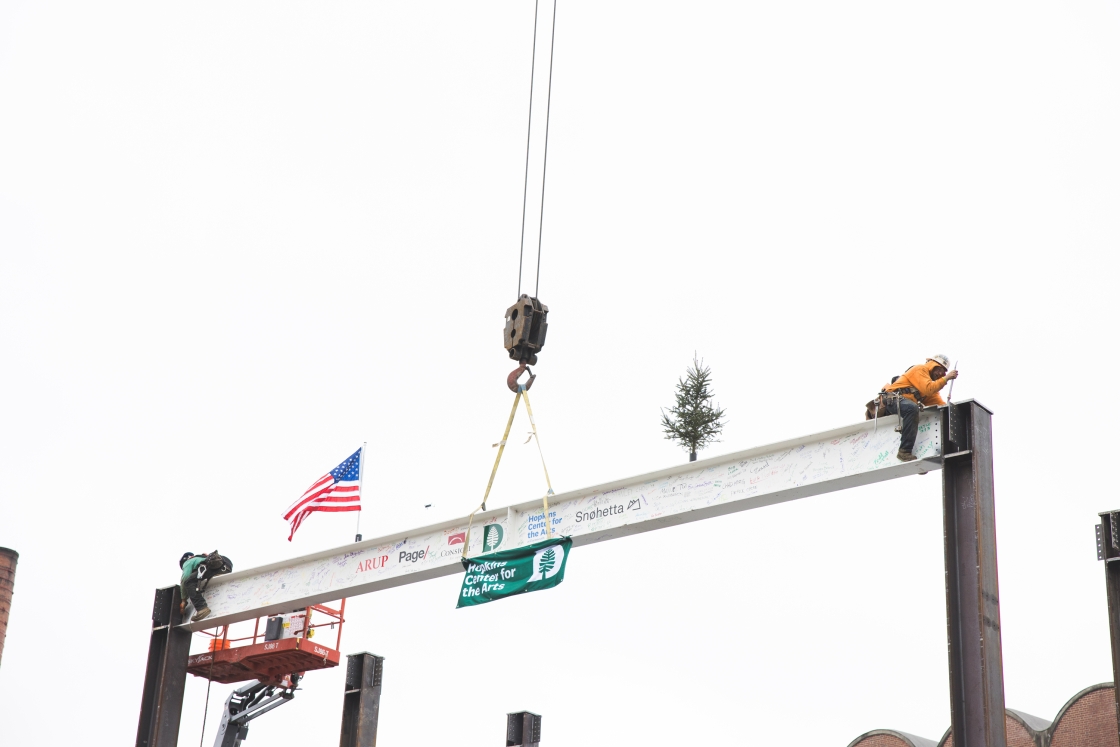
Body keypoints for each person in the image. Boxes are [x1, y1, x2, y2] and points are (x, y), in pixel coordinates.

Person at [881, 354, 958, 462]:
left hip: (904, 406)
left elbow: (940, 406)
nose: (940, 373)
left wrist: (952, 411)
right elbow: (928, 388)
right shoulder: (920, 369)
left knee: (921, 412)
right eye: (939, 369)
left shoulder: (932, 389)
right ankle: (904, 452)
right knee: (912, 409)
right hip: (892, 400)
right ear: (932, 365)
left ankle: (923, 455)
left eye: (943, 371)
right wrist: (947, 378)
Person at [180, 551, 212, 622]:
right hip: (225, 567)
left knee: (188, 582)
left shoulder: (188, 562)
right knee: (193, 578)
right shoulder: (201, 558)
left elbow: (185, 578)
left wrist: (183, 600)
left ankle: (202, 608)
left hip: (210, 568)